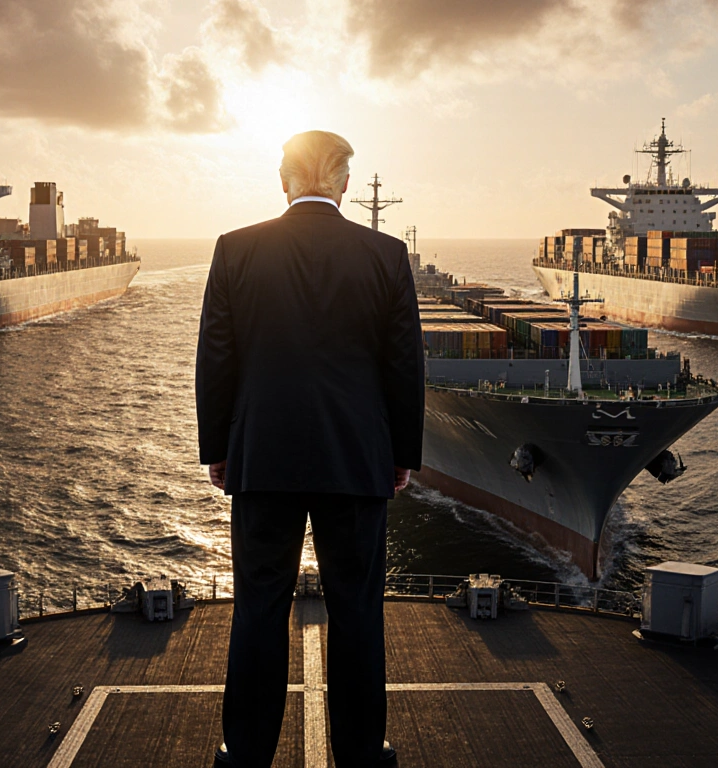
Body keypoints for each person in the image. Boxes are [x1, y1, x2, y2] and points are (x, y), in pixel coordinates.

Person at [196, 130, 424, 767]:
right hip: (357, 461)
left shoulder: (235, 250)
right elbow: (404, 365)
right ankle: (360, 754)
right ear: (346, 183)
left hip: (262, 460)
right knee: (357, 613)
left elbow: (216, 358)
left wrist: (219, 448)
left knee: (259, 610)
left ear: (282, 179)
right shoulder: (386, 254)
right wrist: (402, 453)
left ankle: (244, 753)